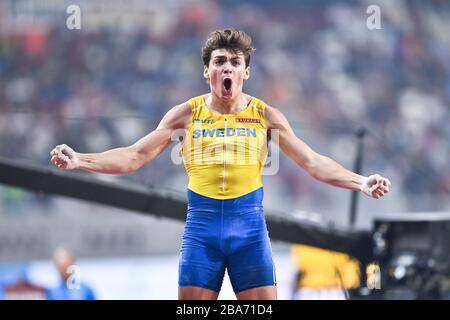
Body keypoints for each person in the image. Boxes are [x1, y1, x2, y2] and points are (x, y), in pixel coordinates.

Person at [50, 29, 390, 300]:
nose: (227, 67)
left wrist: (361, 182)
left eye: (234, 61)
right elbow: (135, 155)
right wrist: (80, 159)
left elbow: (313, 161)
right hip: (202, 231)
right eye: (219, 61)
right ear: (207, 70)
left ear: (246, 71)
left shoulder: (265, 115)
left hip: (250, 231)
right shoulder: (186, 114)